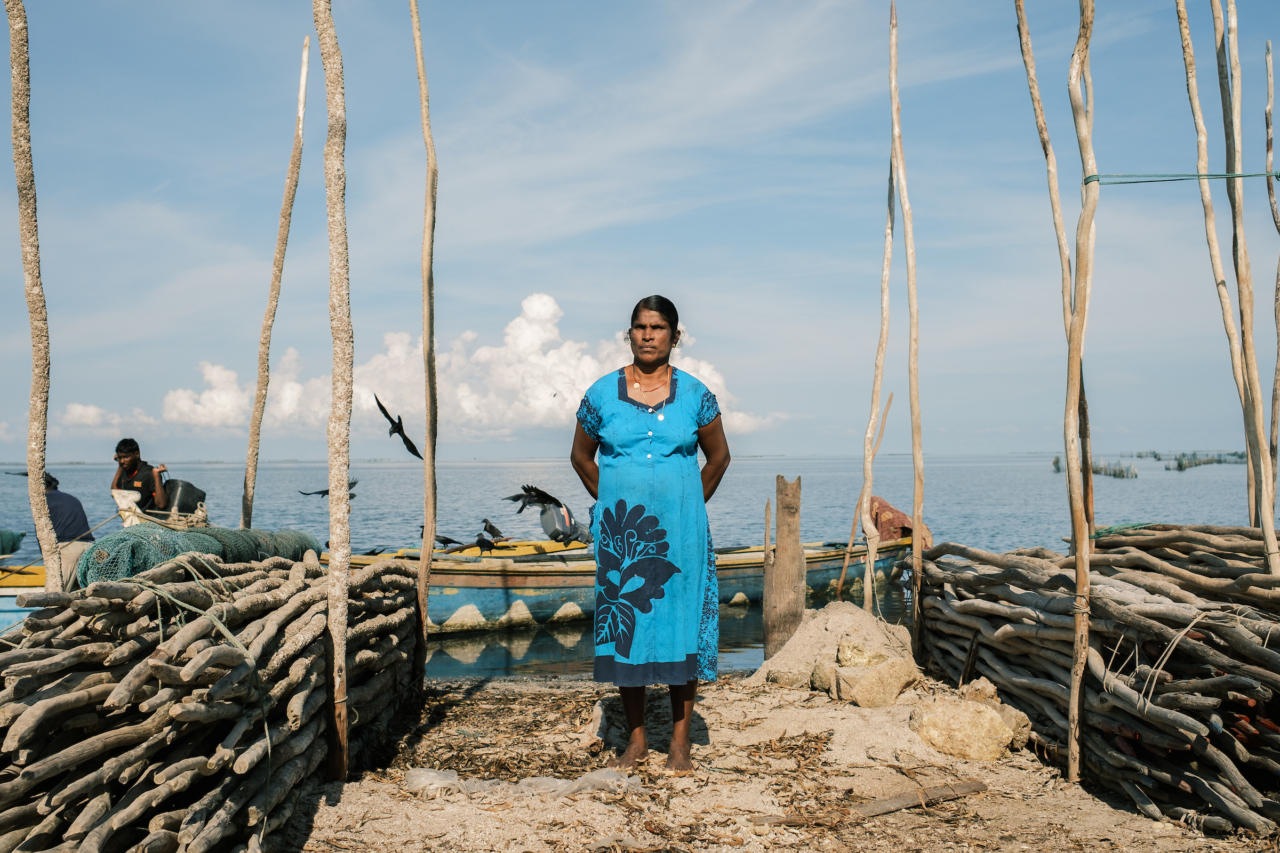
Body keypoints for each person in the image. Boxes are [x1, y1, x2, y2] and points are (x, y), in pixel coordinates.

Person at [570, 295, 731, 773]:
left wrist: (688, 505)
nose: (647, 334)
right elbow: (581, 457)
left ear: (674, 337)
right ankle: (637, 741)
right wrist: (612, 504)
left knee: (681, 626)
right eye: (639, 326)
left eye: (658, 327)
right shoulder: (601, 394)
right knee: (628, 628)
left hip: (682, 534)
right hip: (623, 537)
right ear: (630, 333)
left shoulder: (696, 395)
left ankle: (679, 743)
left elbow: (719, 458)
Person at [43, 473, 94, 586]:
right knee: (80, 594)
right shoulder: (72, 498)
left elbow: (41, 532)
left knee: (54, 594)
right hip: (89, 547)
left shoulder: (43, 501)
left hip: (68, 549)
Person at [110, 438, 168, 514]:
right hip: (132, 520)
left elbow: (161, 504)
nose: (122, 461)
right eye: (119, 458)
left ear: (137, 454)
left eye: (126, 457)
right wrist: (120, 466)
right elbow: (115, 493)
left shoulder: (149, 473)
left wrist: (156, 475)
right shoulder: (125, 470)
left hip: (148, 521)